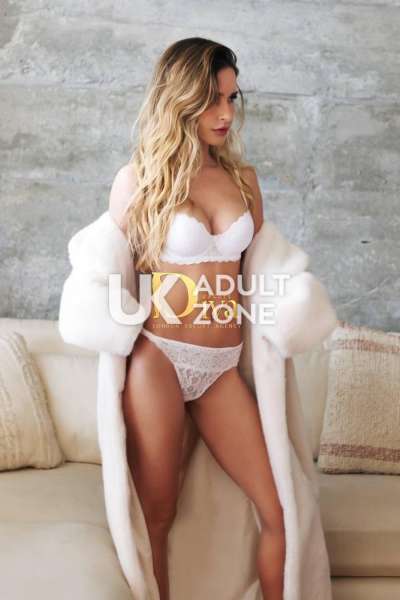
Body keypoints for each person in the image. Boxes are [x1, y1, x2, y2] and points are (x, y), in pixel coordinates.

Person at [109, 38, 285, 600]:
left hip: (220, 367)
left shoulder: (244, 180)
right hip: (159, 357)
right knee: (156, 517)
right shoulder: (139, 180)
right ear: (180, 99)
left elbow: (261, 270)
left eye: (232, 98)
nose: (226, 113)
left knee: (278, 508)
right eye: (212, 99)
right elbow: (116, 271)